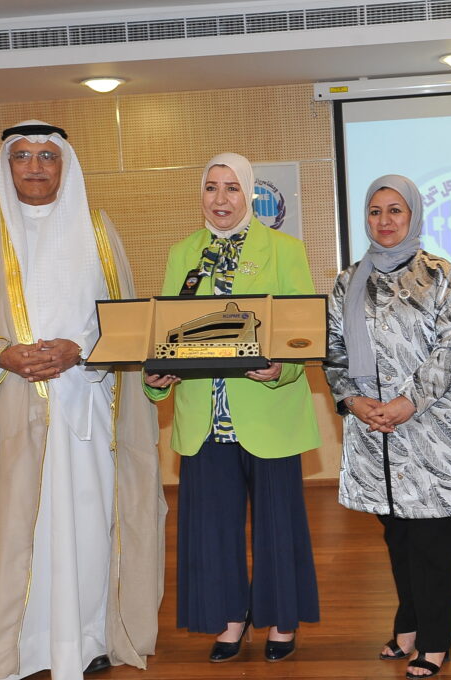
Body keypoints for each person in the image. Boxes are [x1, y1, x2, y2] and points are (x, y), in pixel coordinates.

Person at [0, 120, 166, 680]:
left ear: (65, 164)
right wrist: (2, 354)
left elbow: (122, 316)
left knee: (90, 523)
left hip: (86, 406)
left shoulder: (97, 229)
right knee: (22, 529)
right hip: (13, 410)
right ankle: (19, 646)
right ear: (7, 165)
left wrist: (79, 348)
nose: (35, 166)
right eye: (23, 156)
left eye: (47, 156)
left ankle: (89, 639)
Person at [143, 152, 320, 663]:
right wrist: (156, 380)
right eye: (211, 188)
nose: (220, 199)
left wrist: (283, 368)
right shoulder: (182, 253)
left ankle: (281, 622)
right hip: (204, 419)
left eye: (232, 188)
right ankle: (229, 620)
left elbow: (303, 332)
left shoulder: (284, 250)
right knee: (212, 528)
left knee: (278, 525)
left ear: (249, 195)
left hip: (268, 412)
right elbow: (165, 333)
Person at [324, 174, 451, 680]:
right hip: (374, 432)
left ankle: (435, 642)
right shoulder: (348, 282)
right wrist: (354, 400)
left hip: (433, 429)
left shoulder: (441, 275)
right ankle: (409, 624)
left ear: (413, 215)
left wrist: (407, 402)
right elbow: (333, 349)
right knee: (399, 536)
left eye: (396, 210)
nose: (385, 220)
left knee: (435, 541)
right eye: (375, 211)